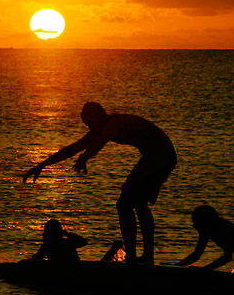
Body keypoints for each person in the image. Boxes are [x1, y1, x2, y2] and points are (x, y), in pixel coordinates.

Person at [23, 102, 177, 265]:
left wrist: (85, 157)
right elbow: (73, 148)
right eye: (86, 124)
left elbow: (100, 142)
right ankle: (137, 255)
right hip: (153, 156)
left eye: (89, 123)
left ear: (98, 117)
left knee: (128, 203)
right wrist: (41, 165)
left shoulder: (113, 123)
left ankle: (141, 256)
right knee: (133, 202)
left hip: (161, 156)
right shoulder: (99, 128)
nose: (89, 127)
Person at [176, 205, 234, 276]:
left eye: (197, 224)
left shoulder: (224, 229)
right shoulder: (205, 230)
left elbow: (227, 257)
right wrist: (177, 266)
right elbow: (196, 254)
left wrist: (205, 270)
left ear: (206, 222)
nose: (196, 228)